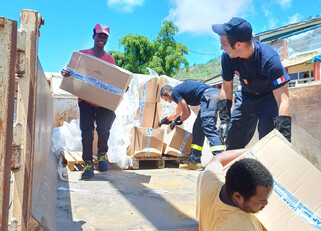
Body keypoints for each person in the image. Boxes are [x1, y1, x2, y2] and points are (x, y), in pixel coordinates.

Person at [212, 17, 292, 150]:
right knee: (232, 142)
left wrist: (285, 136)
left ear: (238, 45)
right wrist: (224, 120)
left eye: (224, 45)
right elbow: (226, 87)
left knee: (269, 144)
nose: (221, 48)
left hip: (269, 99)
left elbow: (283, 99)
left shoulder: (270, 60)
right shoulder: (227, 57)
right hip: (246, 97)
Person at [61, 24, 116, 179]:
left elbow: (113, 80)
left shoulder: (110, 60)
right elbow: (70, 70)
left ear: (107, 40)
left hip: (103, 102)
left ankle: (102, 155)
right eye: (99, 35)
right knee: (87, 133)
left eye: (105, 37)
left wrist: (120, 88)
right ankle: (88, 164)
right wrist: (65, 72)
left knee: (104, 130)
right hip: (85, 101)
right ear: (93, 37)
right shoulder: (82, 55)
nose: (101, 39)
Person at [197, 148, 273, 230]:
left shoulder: (210, 181)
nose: (266, 203)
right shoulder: (241, 227)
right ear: (237, 197)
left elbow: (218, 158)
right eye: (261, 201)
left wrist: (255, 149)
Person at [158, 80, 224, 170]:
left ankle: (222, 162)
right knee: (198, 129)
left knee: (209, 127)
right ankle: (194, 162)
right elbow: (178, 111)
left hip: (209, 96)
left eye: (166, 99)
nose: (169, 102)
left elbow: (186, 113)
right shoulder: (179, 91)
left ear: (167, 93)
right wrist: (167, 120)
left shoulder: (174, 93)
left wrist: (178, 121)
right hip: (211, 95)